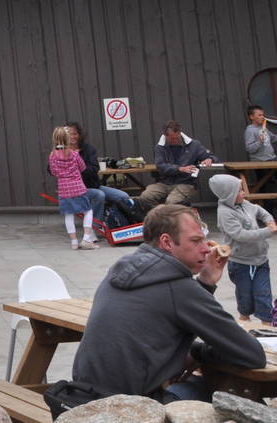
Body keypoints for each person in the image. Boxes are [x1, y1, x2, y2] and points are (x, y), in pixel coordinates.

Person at [72, 204, 265, 402]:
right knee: (231, 393)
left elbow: (174, 314)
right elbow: (252, 354)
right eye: (196, 241)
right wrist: (198, 352)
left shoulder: (124, 270)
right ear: (167, 242)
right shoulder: (179, 288)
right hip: (130, 409)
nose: (206, 248)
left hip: (82, 398)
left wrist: (205, 283)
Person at [210, 173, 276, 323]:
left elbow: (259, 211)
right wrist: (267, 231)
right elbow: (240, 235)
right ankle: (244, 319)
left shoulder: (245, 204)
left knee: (263, 293)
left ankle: (267, 322)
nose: (243, 193)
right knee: (245, 295)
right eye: (239, 191)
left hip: (260, 260)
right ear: (228, 195)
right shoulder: (225, 213)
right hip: (241, 263)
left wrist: (269, 221)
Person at [68, 120, 141, 226]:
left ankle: (117, 220)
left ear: (79, 135)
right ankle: (96, 225)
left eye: (74, 133)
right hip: (74, 190)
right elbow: (52, 169)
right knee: (99, 195)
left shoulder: (89, 149)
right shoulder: (61, 151)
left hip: (93, 186)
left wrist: (75, 170)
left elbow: (94, 169)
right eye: (69, 134)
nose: (72, 137)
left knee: (123, 196)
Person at [137, 121, 216, 210]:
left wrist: (210, 159)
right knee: (144, 197)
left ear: (180, 132)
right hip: (164, 183)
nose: (175, 140)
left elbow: (210, 156)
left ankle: (169, 216)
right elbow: (161, 166)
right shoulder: (159, 147)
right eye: (171, 138)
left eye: (176, 137)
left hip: (187, 183)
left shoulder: (194, 145)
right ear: (165, 136)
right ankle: (161, 216)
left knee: (171, 202)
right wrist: (179, 169)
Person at [50, 126, 99, 250]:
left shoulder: (52, 156)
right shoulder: (73, 154)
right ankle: (86, 239)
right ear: (68, 139)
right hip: (78, 187)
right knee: (88, 210)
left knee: (69, 214)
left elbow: (54, 172)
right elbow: (83, 168)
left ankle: (74, 242)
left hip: (64, 189)